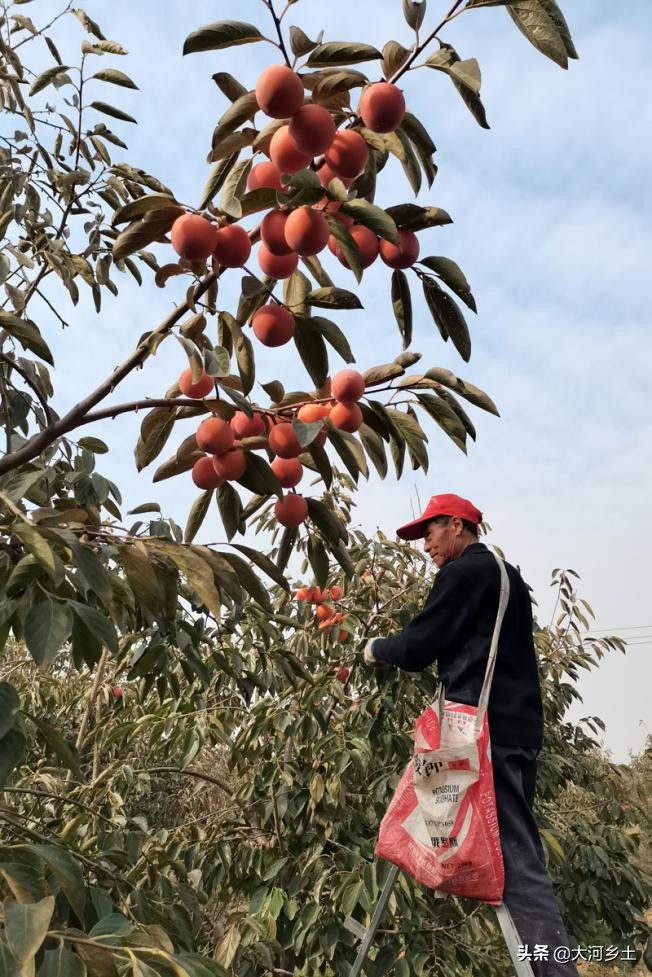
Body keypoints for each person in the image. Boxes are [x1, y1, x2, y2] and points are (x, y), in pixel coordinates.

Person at [362, 493, 579, 977]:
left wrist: (375, 648)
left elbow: (419, 647)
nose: (425, 546)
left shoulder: (461, 574)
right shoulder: (508, 577)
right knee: (506, 843)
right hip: (517, 729)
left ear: (457, 526)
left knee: (515, 863)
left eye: (430, 533)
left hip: (482, 734)